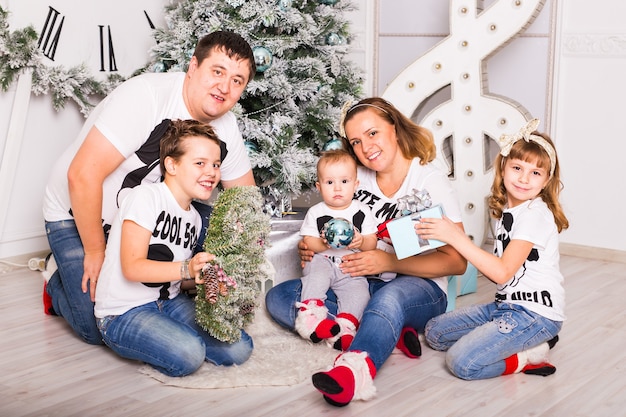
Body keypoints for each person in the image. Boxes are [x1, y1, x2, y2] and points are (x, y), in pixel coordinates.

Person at [42, 31, 256, 345]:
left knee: (219, 222)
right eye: (217, 72)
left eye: (237, 80)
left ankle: (172, 293)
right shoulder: (146, 96)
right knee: (95, 324)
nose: (224, 87)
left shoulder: (226, 128)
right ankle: (57, 279)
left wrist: (237, 270)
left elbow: (244, 205)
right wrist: (95, 251)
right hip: (77, 211)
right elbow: (82, 176)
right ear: (193, 67)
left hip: (145, 219)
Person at [265, 97, 467, 406]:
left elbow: (457, 262)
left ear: (395, 129)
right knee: (280, 297)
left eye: (372, 133)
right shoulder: (357, 179)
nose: (365, 147)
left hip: (418, 288)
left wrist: (388, 260)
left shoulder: (428, 180)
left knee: (389, 298)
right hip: (356, 280)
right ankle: (384, 328)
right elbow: (329, 229)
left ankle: (353, 370)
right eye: (356, 141)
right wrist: (311, 247)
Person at [94, 119, 253, 377]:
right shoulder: (146, 197)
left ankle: (173, 333)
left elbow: (179, 278)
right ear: (172, 164)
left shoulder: (195, 218)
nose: (212, 172)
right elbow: (132, 268)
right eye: (200, 163)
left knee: (239, 348)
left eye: (216, 165)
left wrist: (202, 276)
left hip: (168, 302)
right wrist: (186, 268)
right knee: (189, 354)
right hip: (124, 312)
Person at [417, 118, 568, 380]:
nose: (523, 178)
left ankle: (528, 355)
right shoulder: (508, 211)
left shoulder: (534, 214)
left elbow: (501, 273)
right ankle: (514, 340)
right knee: (434, 332)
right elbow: (499, 273)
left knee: (462, 363)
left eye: (535, 173)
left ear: (545, 181)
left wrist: (454, 236)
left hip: (535, 314)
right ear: (503, 167)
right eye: (517, 167)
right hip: (505, 306)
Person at [296, 149, 378, 351]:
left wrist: (360, 241)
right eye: (329, 182)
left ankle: (344, 328)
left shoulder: (361, 210)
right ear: (319, 186)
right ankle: (312, 319)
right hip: (323, 261)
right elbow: (308, 241)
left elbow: (372, 243)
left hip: (350, 265)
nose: (337, 188)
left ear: (356, 184)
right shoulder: (317, 212)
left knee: (359, 293)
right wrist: (323, 243)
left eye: (344, 181)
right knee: (314, 276)